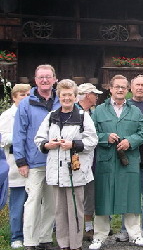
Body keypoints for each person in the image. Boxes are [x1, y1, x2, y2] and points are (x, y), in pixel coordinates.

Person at [35, 79, 98, 250]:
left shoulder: (83, 117)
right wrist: (48, 144)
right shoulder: (51, 116)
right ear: (59, 96)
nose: (67, 98)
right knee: (59, 211)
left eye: (70, 95)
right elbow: (39, 139)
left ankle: (76, 244)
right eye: (63, 95)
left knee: (75, 210)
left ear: (76, 97)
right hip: (56, 171)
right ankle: (63, 244)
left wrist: (73, 144)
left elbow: (92, 140)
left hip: (75, 171)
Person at [89, 75, 143, 250]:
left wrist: (130, 141)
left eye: (123, 87)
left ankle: (135, 235)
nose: (120, 90)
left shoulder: (135, 111)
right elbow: (91, 134)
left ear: (127, 90)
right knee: (103, 197)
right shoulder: (99, 110)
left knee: (131, 196)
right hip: (106, 161)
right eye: (117, 87)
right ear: (111, 89)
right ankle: (99, 237)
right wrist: (105, 137)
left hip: (128, 160)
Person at [13, 64, 60, 250]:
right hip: (34, 161)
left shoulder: (60, 101)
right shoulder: (26, 103)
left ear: (55, 79)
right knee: (32, 202)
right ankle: (30, 241)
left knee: (50, 203)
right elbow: (19, 134)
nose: (45, 80)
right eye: (41, 77)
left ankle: (45, 238)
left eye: (48, 77)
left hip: (56, 160)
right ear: (35, 79)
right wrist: (21, 160)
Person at [115, 75, 143, 242]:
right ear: (130, 88)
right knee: (128, 194)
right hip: (129, 156)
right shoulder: (125, 105)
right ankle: (126, 230)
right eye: (137, 85)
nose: (140, 88)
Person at [0, 83, 31, 249]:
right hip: (15, 164)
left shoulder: (32, 112)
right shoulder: (7, 116)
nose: (25, 98)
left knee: (33, 204)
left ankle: (31, 235)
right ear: (14, 97)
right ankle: (16, 236)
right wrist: (20, 137)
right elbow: (2, 138)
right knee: (17, 203)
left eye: (28, 94)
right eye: (22, 95)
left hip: (33, 165)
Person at [76, 83, 103, 242]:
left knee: (90, 193)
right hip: (76, 159)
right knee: (78, 194)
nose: (97, 97)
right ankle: (76, 227)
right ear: (87, 95)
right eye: (95, 94)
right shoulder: (73, 111)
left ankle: (88, 226)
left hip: (93, 159)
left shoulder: (93, 113)